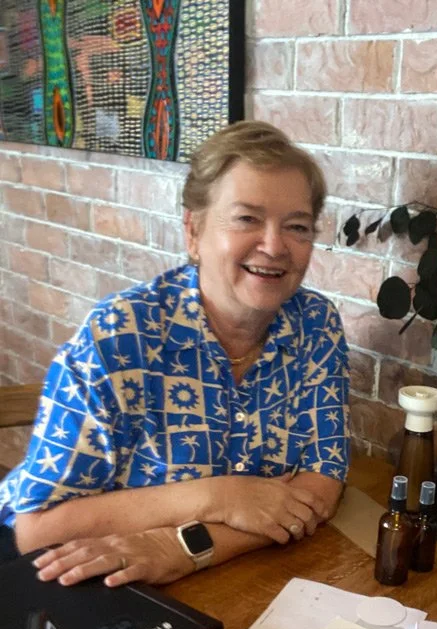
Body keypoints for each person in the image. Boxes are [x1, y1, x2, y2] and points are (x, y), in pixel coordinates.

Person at [0, 121, 350, 586]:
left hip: (236, 580)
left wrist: (185, 547)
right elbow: (36, 529)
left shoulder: (316, 325)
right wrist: (217, 498)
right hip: (89, 582)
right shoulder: (120, 337)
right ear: (194, 230)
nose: (273, 246)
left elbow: (321, 482)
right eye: (246, 218)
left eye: (297, 226)